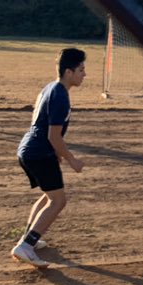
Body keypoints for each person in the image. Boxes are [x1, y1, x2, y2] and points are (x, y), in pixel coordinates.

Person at [11, 48, 87, 267]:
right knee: (58, 200)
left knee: (48, 196)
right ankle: (26, 246)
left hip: (28, 149)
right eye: (81, 69)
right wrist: (72, 159)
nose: (84, 74)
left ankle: (28, 239)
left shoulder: (50, 88)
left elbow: (40, 123)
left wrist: (56, 153)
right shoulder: (61, 96)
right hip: (39, 152)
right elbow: (53, 135)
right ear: (69, 72)